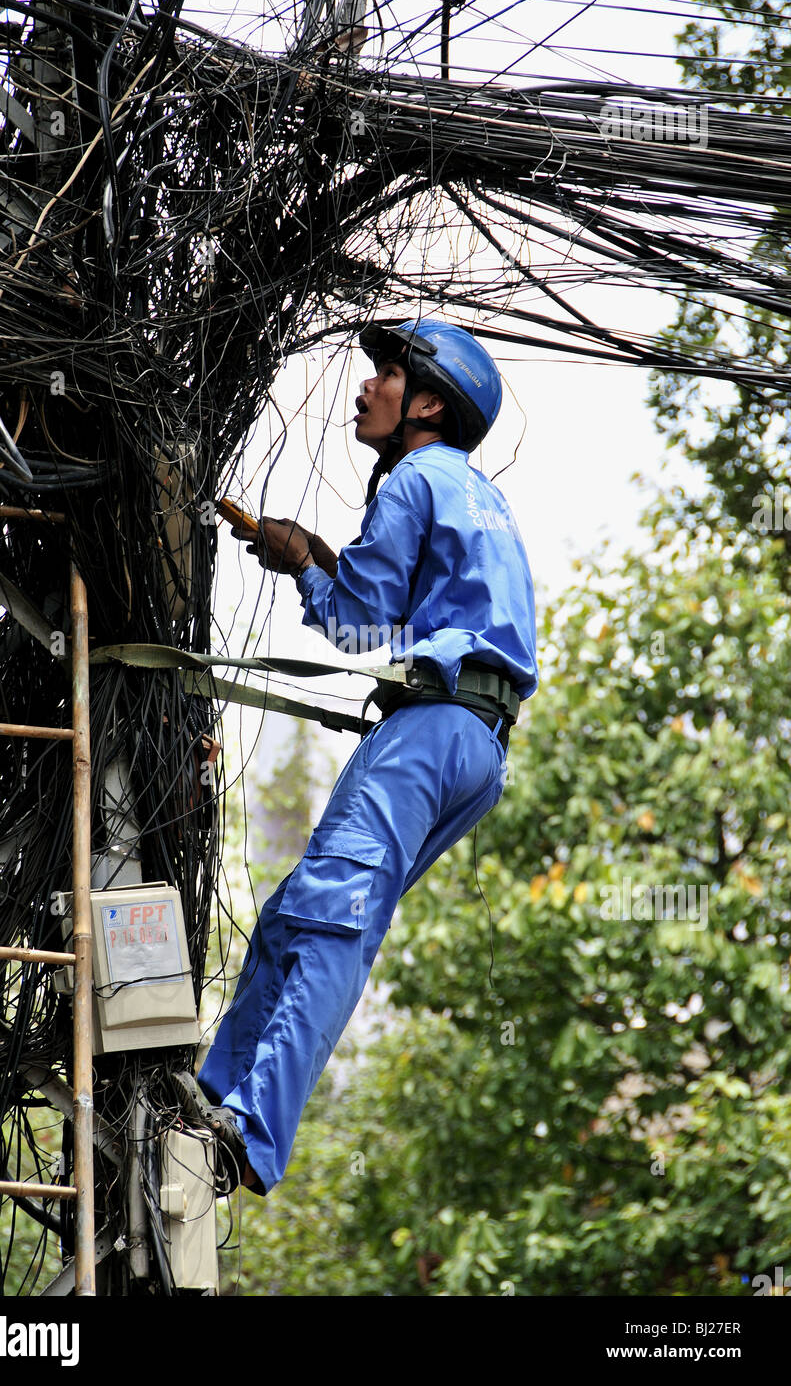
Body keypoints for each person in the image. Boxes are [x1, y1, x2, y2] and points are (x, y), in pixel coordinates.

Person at [173, 318, 538, 1196]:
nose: (364, 387)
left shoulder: (412, 476)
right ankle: (212, 1093)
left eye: (383, 374)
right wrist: (317, 556)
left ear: (427, 403)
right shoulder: (472, 489)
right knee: (300, 914)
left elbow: (357, 622)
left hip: (429, 732)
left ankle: (249, 1133)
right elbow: (401, 608)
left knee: (334, 917)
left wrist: (298, 564)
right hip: (473, 746)